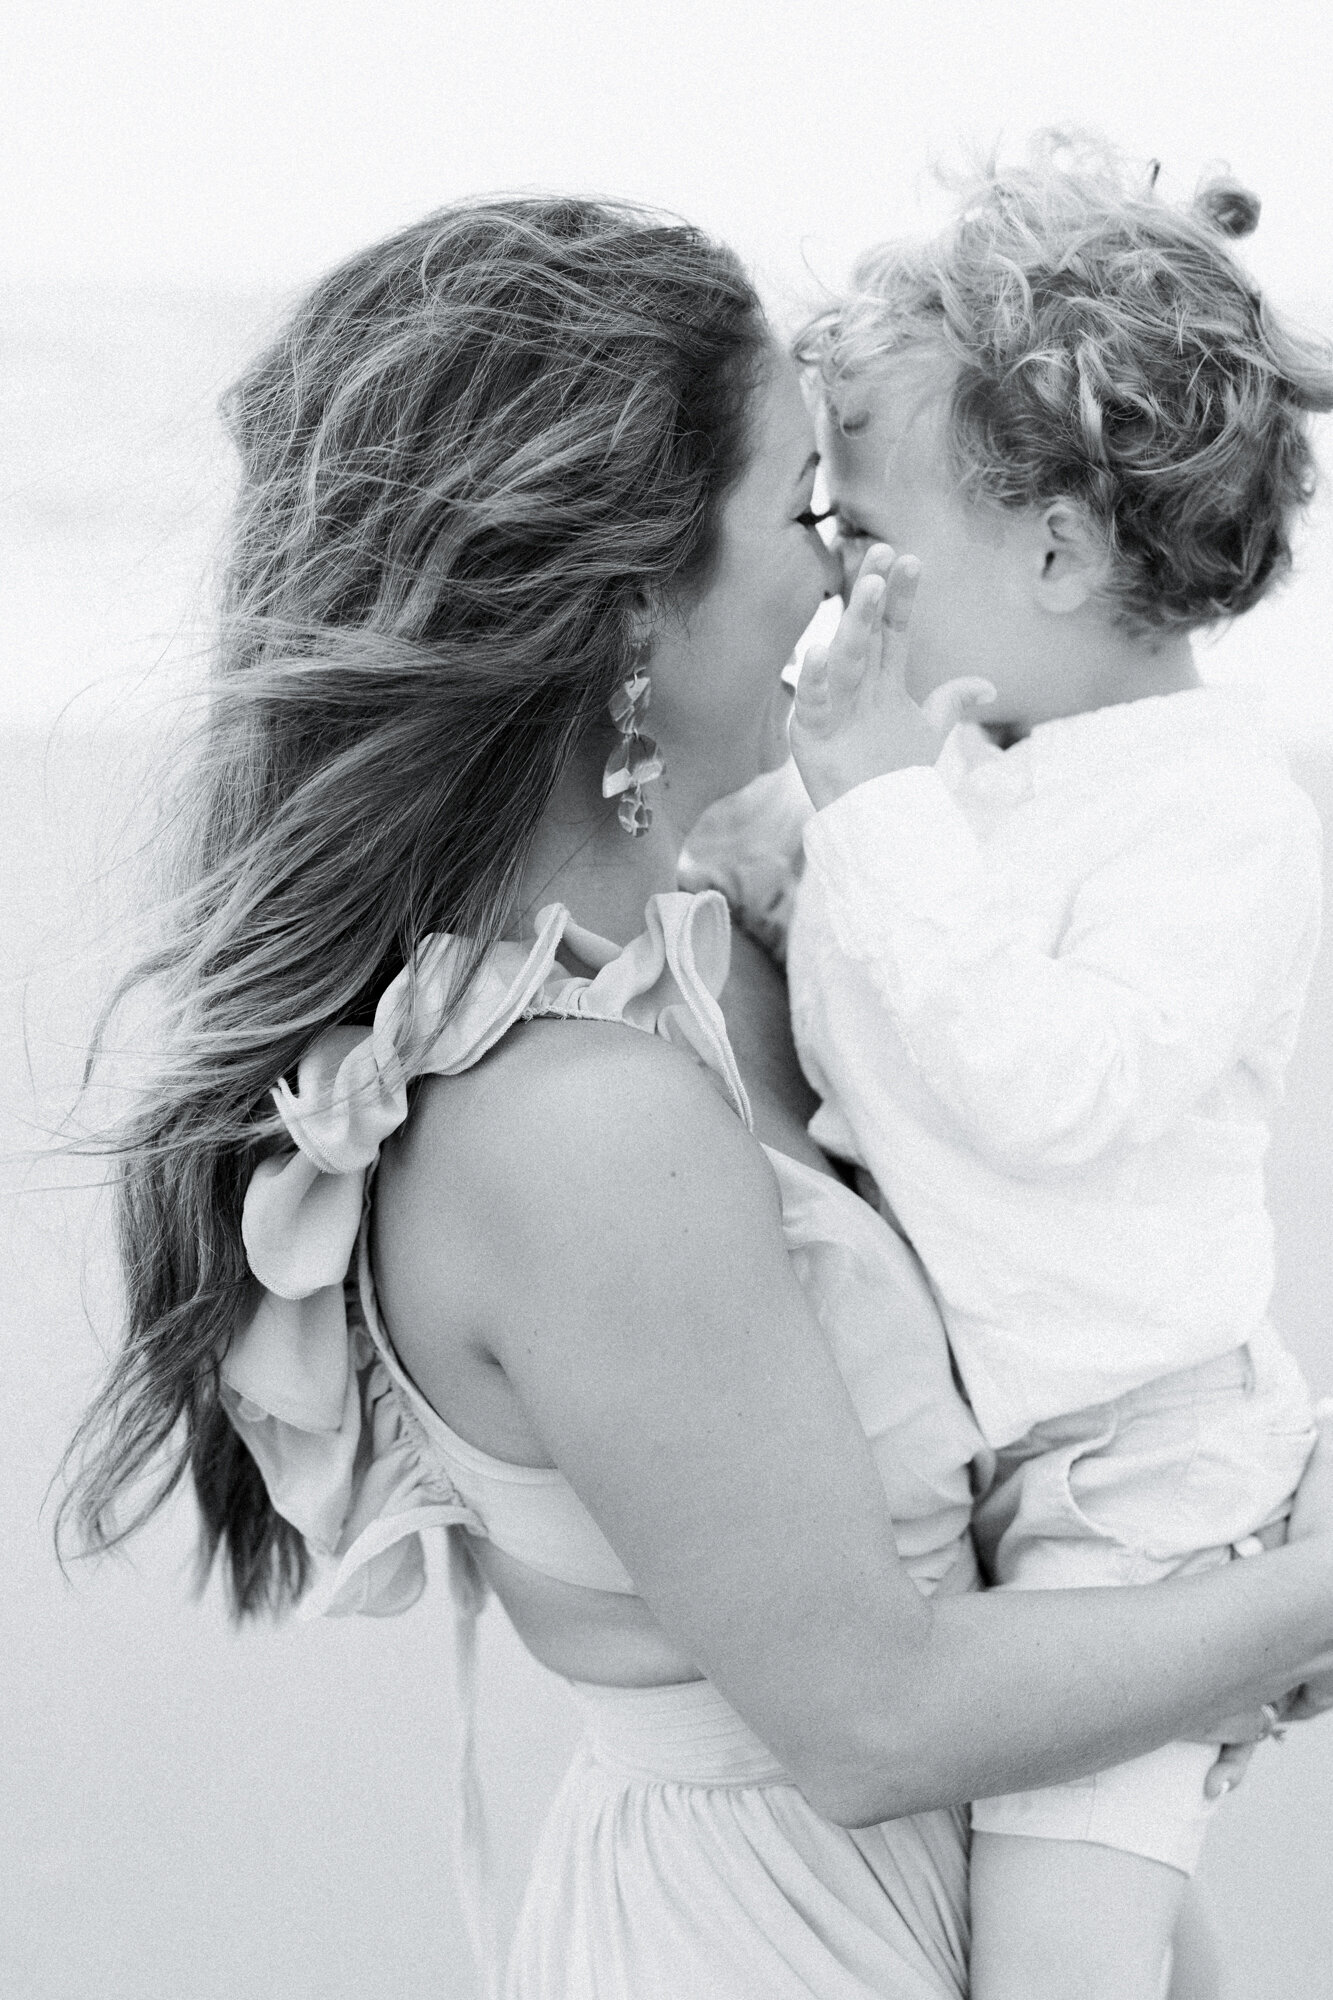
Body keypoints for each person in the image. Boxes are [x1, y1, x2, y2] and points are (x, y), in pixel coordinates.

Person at [60, 194, 1333, 2000]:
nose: (843, 576)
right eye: (805, 513)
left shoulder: (696, 963)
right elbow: (871, 1716)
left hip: (973, 1861)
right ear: (633, 608)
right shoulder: (578, 1126)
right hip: (783, 1937)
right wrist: (1296, 1597)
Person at [774, 140, 1333, 2000]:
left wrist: (860, 827)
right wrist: (778, 859)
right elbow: (885, 1016)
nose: (834, 588)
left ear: (1057, 552)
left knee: (1051, 1964)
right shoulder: (971, 772)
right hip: (1003, 1453)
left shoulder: (1218, 814)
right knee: (1122, 1932)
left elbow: (1052, 1085)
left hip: (1141, 1476)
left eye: (863, 542)